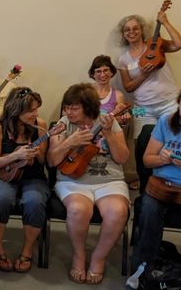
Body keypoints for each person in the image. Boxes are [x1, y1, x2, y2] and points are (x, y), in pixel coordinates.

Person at [47, 83, 129, 284]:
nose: (68, 112)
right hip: (72, 180)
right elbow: (51, 161)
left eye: (74, 108)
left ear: (89, 106)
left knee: (118, 211)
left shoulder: (108, 122)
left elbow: (122, 157)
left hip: (109, 180)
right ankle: (79, 255)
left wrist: (109, 134)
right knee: (78, 209)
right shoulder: (64, 124)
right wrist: (69, 143)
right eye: (67, 107)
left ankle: (98, 258)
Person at [0, 87, 51, 273]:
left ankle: (27, 250)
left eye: (37, 109)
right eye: (31, 110)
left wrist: (38, 152)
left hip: (34, 177)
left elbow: (42, 161)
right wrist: (16, 155)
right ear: (17, 110)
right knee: (1, 198)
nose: (35, 114)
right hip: (5, 176)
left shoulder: (41, 125)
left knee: (35, 200)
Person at [130, 88, 181, 274]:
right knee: (149, 209)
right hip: (161, 185)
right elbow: (147, 160)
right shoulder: (166, 122)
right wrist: (163, 158)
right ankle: (142, 272)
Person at [116, 12, 181, 138]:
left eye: (135, 28)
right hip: (142, 108)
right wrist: (143, 75)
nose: (131, 32)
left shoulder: (156, 44)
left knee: (176, 140)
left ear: (142, 30)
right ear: (123, 34)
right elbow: (128, 88)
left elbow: (179, 44)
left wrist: (165, 22)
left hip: (169, 103)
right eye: (127, 30)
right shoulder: (123, 59)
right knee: (142, 143)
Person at [88, 55, 131, 126]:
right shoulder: (85, 91)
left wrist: (123, 120)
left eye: (106, 70)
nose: (102, 75)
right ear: (93, 74)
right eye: (98, 71)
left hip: (108, 134)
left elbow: (118, 121)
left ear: (111, 72)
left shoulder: (118, 95)